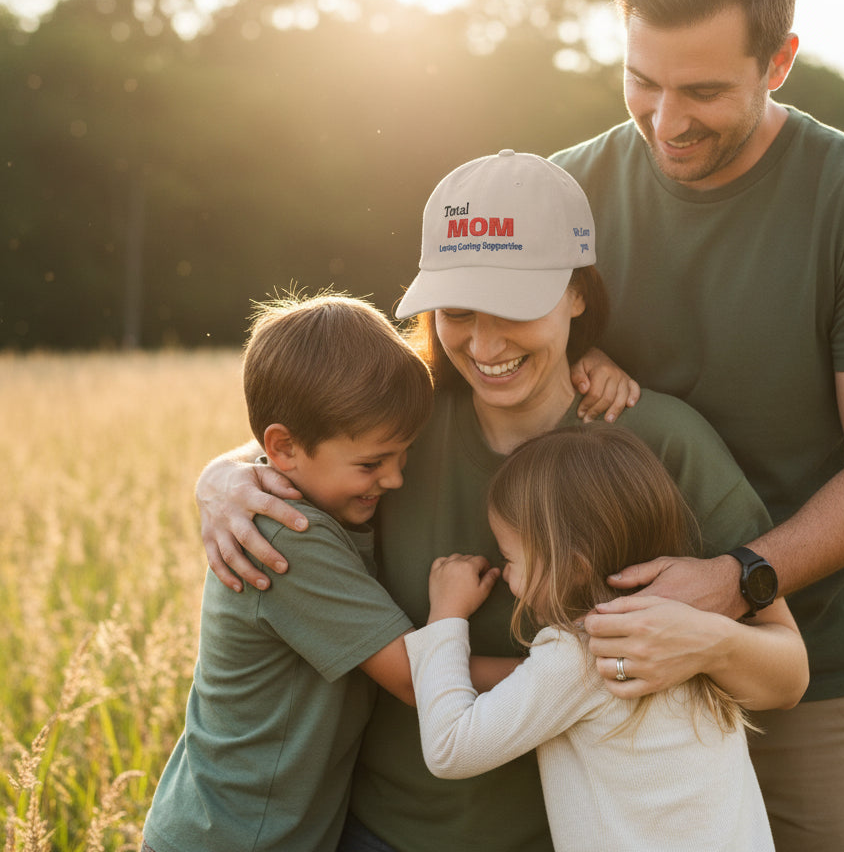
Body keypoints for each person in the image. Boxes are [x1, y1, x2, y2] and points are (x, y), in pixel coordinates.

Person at [195, 150, 809, 852]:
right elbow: (303, 444)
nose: (484, 344)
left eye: (515, 309)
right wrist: (220, 475)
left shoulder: (659, 443)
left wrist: (700, 645)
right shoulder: (406, 429)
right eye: (456, 313)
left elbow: (785, 672)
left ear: (578, 293)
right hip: (381, 832)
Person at [547, 0, 844, 851]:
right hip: (606, 672)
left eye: (703, 91)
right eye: (641, 82)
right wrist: (235, 470)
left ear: (780, 61)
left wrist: (737, 581)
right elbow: (437, 373)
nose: (666, 120)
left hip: (811, 669)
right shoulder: (566, 195)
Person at [407, 425, 795, 852]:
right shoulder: (690, 623)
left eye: (510, 558)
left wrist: (445, 615)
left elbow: (450, 749)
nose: (508, 576)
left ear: (572, 567)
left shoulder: (581, 651)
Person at [142, 292, 434, 852]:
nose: (395, 479)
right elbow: (417, 678)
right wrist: (573, 669)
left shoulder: (305, 481)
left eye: (405, 453)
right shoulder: (285, 538)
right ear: (283, 448)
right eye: (373, 463)